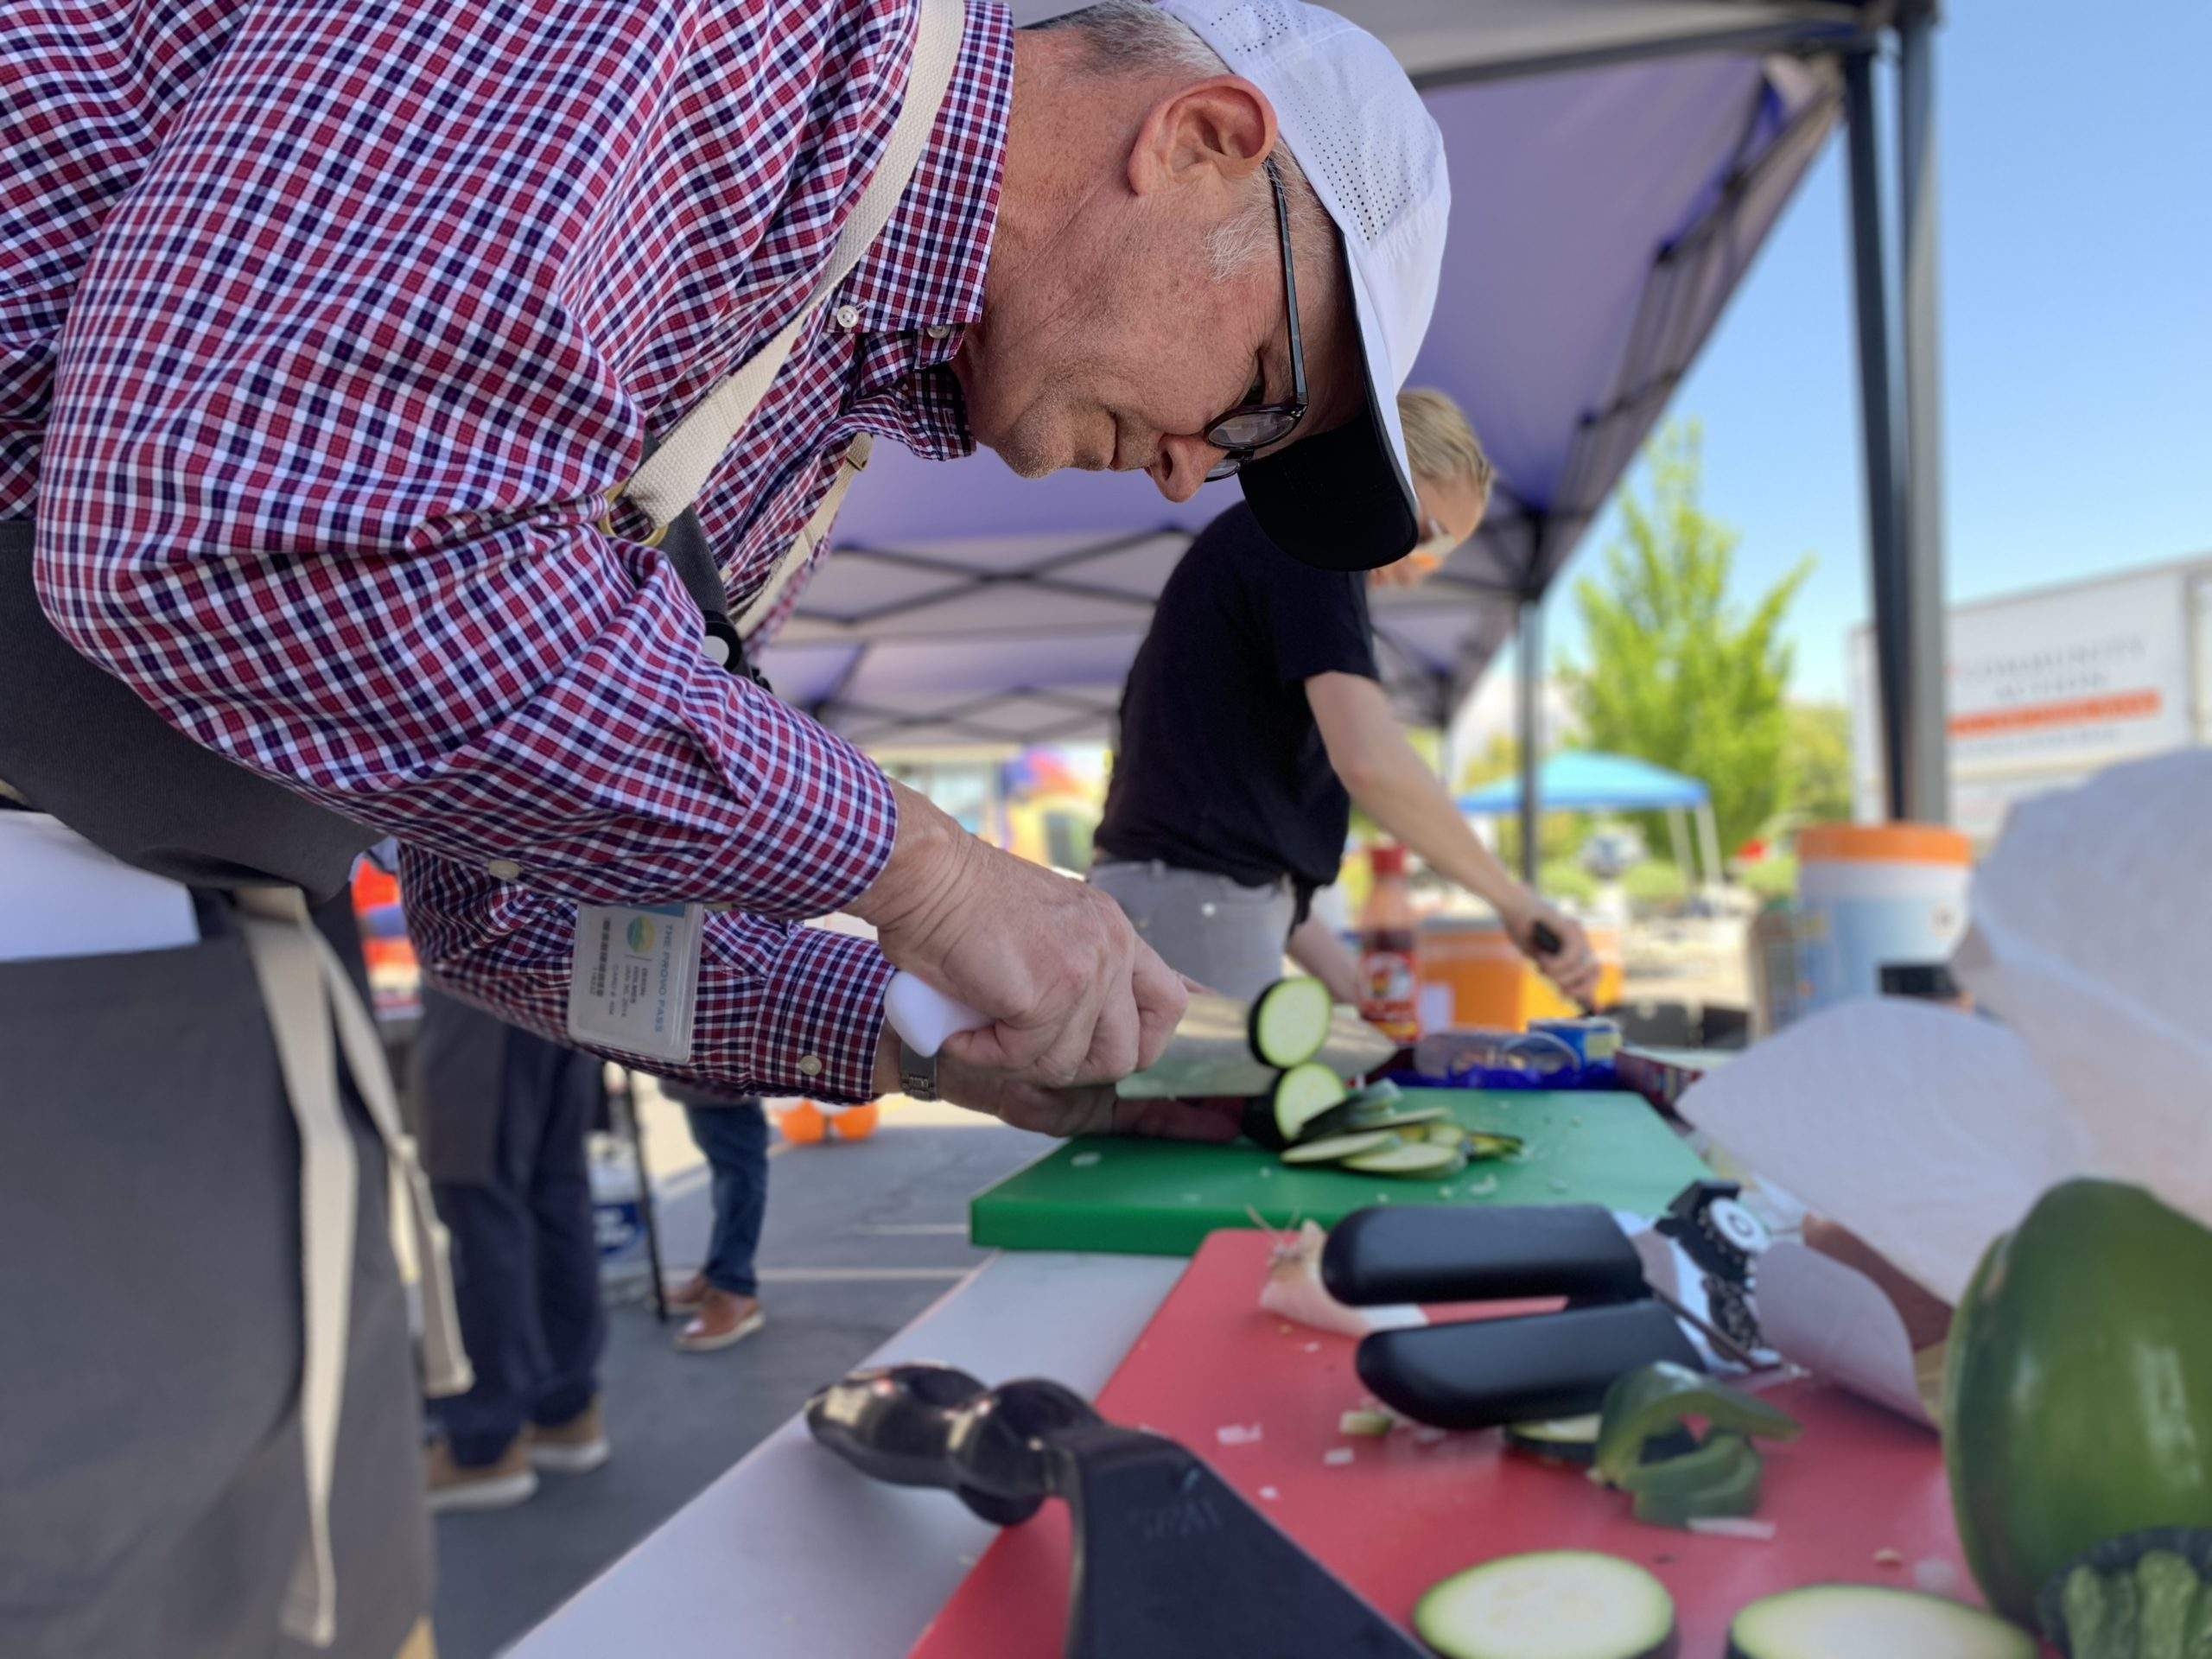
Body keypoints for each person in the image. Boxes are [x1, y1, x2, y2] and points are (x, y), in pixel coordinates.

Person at [2, 2, 1452, 1651]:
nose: (1198, 473)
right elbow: (236, 517)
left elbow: (508, 919)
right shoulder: (727, 36)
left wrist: (917, 1036)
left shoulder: (798, 404)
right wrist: (919, 866)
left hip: (197, 975)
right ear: (1202, 143)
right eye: (1263, 393)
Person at [1090, 388, 1604, 1007]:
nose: (1425, 568)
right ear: (1388, 469)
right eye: (1435, 536)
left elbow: (1241, 830)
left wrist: (1346, 981)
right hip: (1188, 899)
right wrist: (1516, 903)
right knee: (1209, 1106)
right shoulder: (1316, 543)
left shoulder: (1277, 543)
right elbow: (1370, 760)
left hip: (1178, 895)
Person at [411, 987, 612, 1512]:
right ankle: (564, 1409)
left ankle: (485, 1442)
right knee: (555, 1188)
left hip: (483, 961)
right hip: (568, 960)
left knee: (479, 1194)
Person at [661, 1084, 775, 1355]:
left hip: (725, 1071)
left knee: (738, 1173)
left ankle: (734, 1286)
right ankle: (719, 1273)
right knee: (726, 1169)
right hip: (698, 1073)